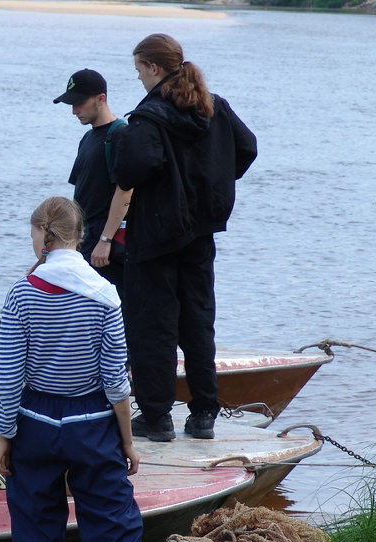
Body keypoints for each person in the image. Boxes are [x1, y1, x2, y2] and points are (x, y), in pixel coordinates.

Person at [0, 196, 191, 542]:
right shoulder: (105, 293)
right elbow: (116, 381)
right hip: (92, 424)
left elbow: (10, 374)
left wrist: (4, 436)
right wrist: (127, 440)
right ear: (78, 236)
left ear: (42, 233)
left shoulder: (21, 295)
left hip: (35, 422)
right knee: (116, 537)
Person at [114, 33, 257, 442]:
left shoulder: (150, 116)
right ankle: (204, 414)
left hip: (156, 235)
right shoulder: (215, 108)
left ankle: (157, 417)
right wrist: (210, 180)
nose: (139, 77)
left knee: (152, 326)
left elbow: (131, 170)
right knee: (198, 323)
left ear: (155, 68)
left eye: (140, 69)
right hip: (199, 232)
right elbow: (247, 148)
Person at [53, 68, 133, 293]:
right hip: (84, 241)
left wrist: (105, 241)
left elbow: (126, 190)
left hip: (107, 247)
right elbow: (81, 196)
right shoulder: (87, 138)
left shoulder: (120, 135)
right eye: (71, 104)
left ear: (101, 99)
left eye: (79, 103)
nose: (74, 111)